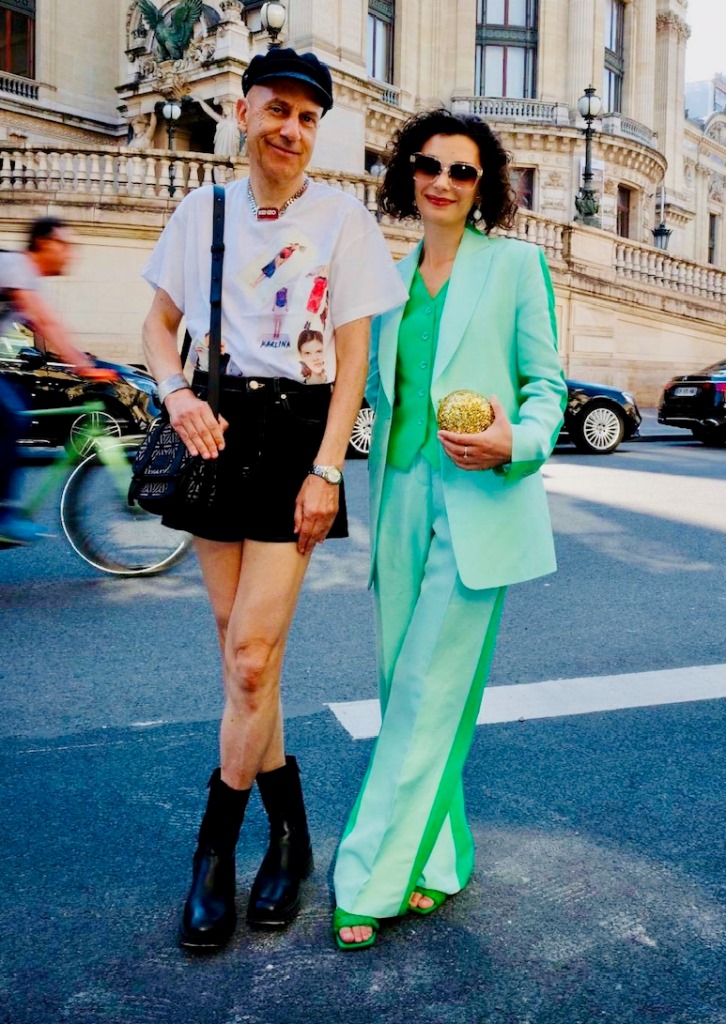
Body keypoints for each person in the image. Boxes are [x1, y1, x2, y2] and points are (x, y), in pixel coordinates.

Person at [140, 46, 407, 950]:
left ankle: (213, 851)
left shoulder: (342, 218)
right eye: (278, 110)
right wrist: (176, 393)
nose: (291, 129)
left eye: (307, 117)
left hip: (297, 439)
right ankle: (291, 835)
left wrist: (329, 469)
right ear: (244, 112)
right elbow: (158, 326)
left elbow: (356, 361)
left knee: (251, 660)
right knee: (243, 654)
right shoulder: (201, 210)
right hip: (215, 429)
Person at [332, 109, 568, 949]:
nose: (442, 181)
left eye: (462, 171)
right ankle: (440, 858)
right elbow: (372, 394)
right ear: (408, 173)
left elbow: (548, 386)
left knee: (429, 690)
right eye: (428, 165)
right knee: (406, 686)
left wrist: (518, 442)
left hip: (479, 503)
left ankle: (369, 878)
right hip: (398, 496)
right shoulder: (388, 283)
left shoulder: (515, 266)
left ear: (483, 187)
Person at [0, 217, 94, 544]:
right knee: (11, 415)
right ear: (43, 243)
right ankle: (4, 514)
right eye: (64, 245)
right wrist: (85, 367)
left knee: (15, 406)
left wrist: (82, 360)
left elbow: (46, 329)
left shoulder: (29, 280)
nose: (70, 253)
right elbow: (45, 321)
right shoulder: (15, 265)